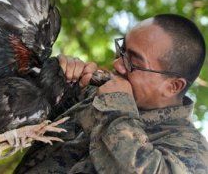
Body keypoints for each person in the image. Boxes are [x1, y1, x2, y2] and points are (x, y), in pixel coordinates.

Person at [15, 14, 208, 173]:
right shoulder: (96, 93)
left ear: (173, 86)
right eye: (122, 51)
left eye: (133, 63)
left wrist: (117, 111)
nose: (117, 65)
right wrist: (60, 80)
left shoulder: (192, 151)